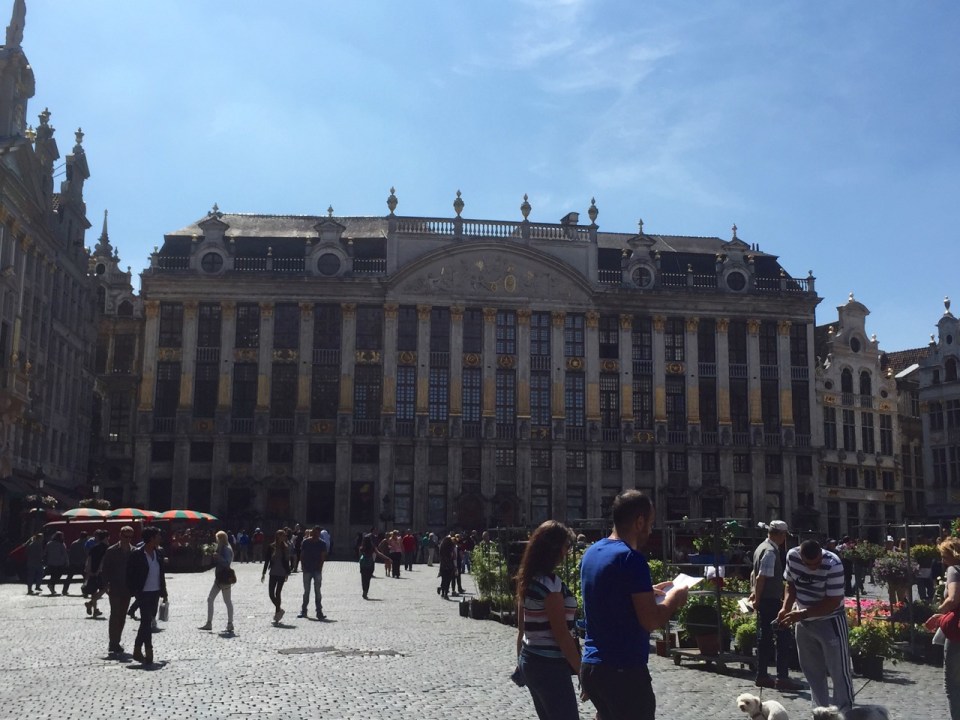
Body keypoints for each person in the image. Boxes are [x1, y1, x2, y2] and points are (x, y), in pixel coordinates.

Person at [580, 490, 688, 720]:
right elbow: (651, 621)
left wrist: (646, 592)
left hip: (592, 667)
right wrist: (674, 598)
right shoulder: (632, 559)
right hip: (624, 671)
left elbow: (609, 596)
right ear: (639, 521)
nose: (650, 529)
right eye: (650, 523)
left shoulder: (593, 552)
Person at [777, 539, 852, 713]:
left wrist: (802, 614)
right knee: (811, 670)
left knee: (839, 671)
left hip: (831, 620)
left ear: (821, 554)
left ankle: (845, 712)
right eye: (809, 564)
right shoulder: (792, 557)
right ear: (801, 557)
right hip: (803, 622)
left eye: (817, 563)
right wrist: (785, 608)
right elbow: (791, 584)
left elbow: (833, 602)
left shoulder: (833, 564)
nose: (813, 567)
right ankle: (820, 712)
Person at [515, 520, 581, 720]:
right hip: (550, 665)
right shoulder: (550, 586)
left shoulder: (528, 579)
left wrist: (520, 663)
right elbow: (561, 635)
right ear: (556, 549)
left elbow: (521, 629)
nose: (567, 551)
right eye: (566, 546)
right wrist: (582, 672)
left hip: (531, 659)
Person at [748, 520, 803, 691]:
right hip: (770, 600)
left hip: (765, 599)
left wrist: (754, 593)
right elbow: (761, 577)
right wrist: (757, 599)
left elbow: (754, 574)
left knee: (764, 637)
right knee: (781, 636)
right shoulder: (771, 552)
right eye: (784, 535)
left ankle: (762, 675)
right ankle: (781, 677)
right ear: (780, 535)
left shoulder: (761, 547)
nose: (785, 538)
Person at [924, 536, 960, 719]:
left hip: (957, 633)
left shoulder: (955, 570)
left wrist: (938, 610)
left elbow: (953, 599)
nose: (942, 561)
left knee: (953, 684)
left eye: (944, 556)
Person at [126, 526, 168, 666]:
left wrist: (164, 592)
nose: (160, 538)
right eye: (158, 536)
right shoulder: (137, 554)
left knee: (147, 622)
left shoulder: (159, 553)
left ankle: (137, 649)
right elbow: (130, 574)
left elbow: (161, 575)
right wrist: (134, 591)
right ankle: (149, 651)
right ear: (151, 538)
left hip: (155, 591)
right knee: (146, 621)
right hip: (143, 593)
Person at [101, 525, 135, 654]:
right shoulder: (112, 550)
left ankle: (117, 640)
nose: (128, 539)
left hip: (127, 588)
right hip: (114, 586)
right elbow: (105, 569)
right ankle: (113, 642)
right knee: (115, 615)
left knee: (122, 616)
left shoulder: (134, 550)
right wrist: (105, 585)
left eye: (130, 537)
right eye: (126, 536)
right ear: (120, 535)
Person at [201, 530, 235, 633]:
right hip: (219, 578)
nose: (217, 541)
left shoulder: (226, 549)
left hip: (225, 578)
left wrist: (218, 557)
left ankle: (230, 623)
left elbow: (227, 563)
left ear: (221, 539)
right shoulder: (220, 548)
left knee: (227, 601)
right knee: (210, 599)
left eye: (218, 539)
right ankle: (209, 623)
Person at [261, 529, 290, 623]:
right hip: (273, 572)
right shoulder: (271, 546)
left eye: (284, 536)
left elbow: (287, 561)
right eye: (282, 535)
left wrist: (287, 573)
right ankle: (280, 609)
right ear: (277, 536)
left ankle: (277, 613)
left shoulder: (285, 547)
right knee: (271, 594)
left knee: (278, 593)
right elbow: (267, 560)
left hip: (281, 573)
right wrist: (263, 573)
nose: (283, 537)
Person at [299, 526, 328, 619]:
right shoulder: (306, 542)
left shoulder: (322, 544)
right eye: (314, 532)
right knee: (306, 591)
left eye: (317, 533)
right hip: (307, 569)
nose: (315, 534)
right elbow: (302, 554)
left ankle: (319, 611)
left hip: (316, 570)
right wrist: (302, 566)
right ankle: (304, 610)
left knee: (317, 591)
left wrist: (320, 568)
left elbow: (323, 557)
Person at [85, 530, 110, 617]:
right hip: (101, 572)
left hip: (92, 571)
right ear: (107, 537)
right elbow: (103, 560)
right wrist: (99, 570)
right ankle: (90, 603)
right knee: (104, 589)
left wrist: (88, 571)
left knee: (94, 591)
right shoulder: (107, 548)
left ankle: (95, 609)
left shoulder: (94, 547)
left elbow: (89, 559)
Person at [358, 532, 388, 599]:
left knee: (363, 579)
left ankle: (364, 590)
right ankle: (366, 592)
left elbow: (360, 556)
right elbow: (379, 553)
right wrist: (387, 558)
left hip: (363, 564)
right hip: (370, 563)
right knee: (368, 579)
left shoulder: (362, 547)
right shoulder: (372, 547)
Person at [64, 531, 89, 596]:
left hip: (74, 563)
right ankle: (85, 591)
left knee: (69, 577)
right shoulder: (85, 544)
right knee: (85, 578)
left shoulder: (74, 543)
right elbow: (86, 553)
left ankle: (64, 590)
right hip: (82, 563)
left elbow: (70, 553)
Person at [438, 533, 457, 599]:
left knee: (443, 579)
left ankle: (443, 593)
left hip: (443, 565)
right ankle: (446, 593)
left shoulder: (442, 547)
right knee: (448, 580)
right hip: (449, 565)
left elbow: (440, 556)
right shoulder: (450, 547)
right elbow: (452, 556)